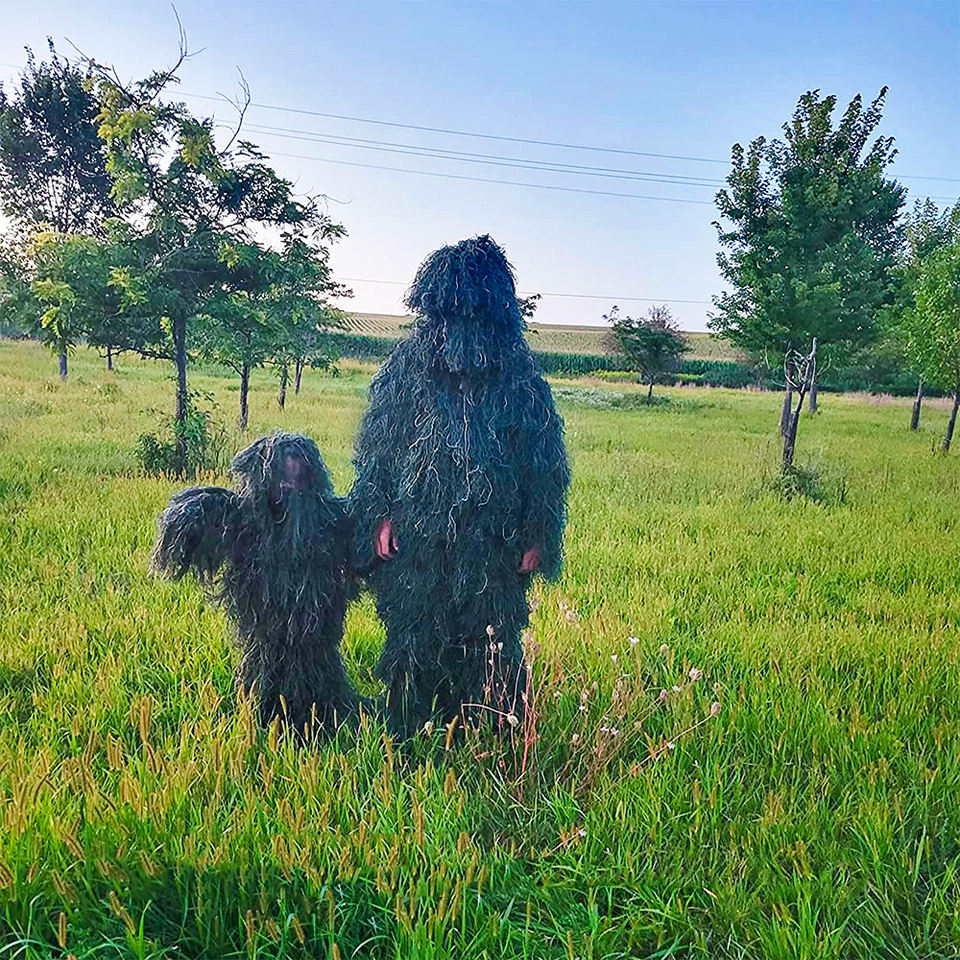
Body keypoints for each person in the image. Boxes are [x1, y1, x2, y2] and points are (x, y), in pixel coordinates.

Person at [350, 235, 570, 737]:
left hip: (495, 542)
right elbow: (379, 449)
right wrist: (379, 513)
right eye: (449, 313)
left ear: (495, 314)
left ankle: (493, 731)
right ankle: (408, 731)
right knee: (412, 634)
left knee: (492, 640)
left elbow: (545, 464)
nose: (460, 327)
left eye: (473, 313)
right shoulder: (407, 369)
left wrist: (539, 534)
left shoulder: (520, 379)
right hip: (416, 539)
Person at [152, 432, 358, 738]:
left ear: (311, 480)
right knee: (264, 700)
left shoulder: (327, 521)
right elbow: (198, 517)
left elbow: (362, 530)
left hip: (316, 650)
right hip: (264, 646)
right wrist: (189, 521)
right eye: (282, 483)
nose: (290, 492)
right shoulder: (244, 520)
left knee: (323, 707)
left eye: (298, 483)